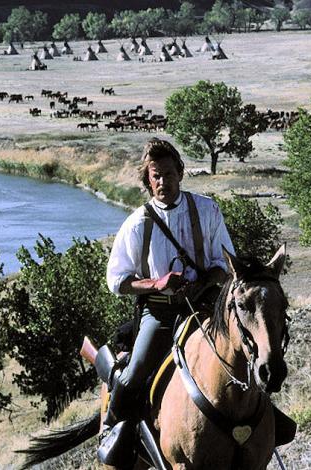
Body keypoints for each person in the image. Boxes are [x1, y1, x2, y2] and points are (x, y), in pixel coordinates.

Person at [100, 138, 235, 462]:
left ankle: (265, 427)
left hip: (205, 308)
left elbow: (226, 262)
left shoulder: (207, 209)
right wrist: (157, 283)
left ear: (181, 173)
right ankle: (113, 430)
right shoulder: (137, 223)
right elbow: (117, 281)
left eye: (169, 174)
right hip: (159, 314)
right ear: (147, 179)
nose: (163, 182)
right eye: (156, 176)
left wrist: (202, 282)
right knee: (134, 374)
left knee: (243, 358)